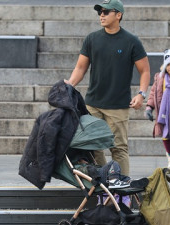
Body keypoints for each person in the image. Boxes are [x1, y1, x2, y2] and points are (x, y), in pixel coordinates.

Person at [65, 0, 150, 178]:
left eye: (106, 12)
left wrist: (141, 94)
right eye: (100, 12)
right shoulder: (92, 39)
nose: (101, 15)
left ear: (118, 15)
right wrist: (69, 85)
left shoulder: (131, 41)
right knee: (93, 147)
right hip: (93, 104)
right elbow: (80, 68)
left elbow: (145, 71)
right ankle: (104, 184)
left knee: (118, 148)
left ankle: (122, 187)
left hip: (118, 106)